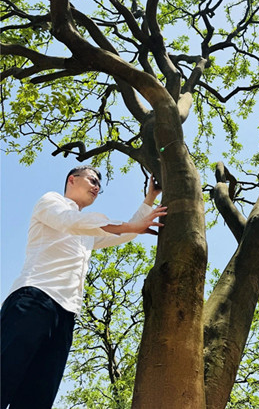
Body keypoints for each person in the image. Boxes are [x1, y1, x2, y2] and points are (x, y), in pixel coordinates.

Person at [1, 165, 166, 409]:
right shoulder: (51, 201)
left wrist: (150, 198)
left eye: (99, 184)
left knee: (38, 397)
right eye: (92, 180)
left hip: (66, 316)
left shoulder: (88, 232)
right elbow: (71, 222)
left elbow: (125, 232)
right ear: (71, 180)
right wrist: (130, 226)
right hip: (34, 299)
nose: (96, 187)